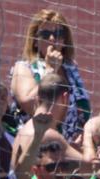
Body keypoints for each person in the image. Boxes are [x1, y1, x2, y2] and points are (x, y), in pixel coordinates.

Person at [9, 9, 90, 143]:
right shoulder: (24, 67)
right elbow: (30, 104)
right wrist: (50, 70)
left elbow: (82, 111)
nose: (52, 39)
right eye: (45, 34)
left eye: (58, 34)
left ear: (64, 40)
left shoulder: (71, 70)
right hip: (36, 146)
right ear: (35, 41)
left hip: (69, 149)